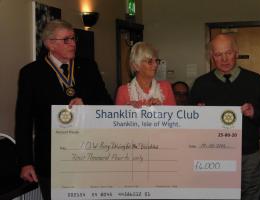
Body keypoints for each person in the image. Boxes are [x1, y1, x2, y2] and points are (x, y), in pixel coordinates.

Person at [15, 19, 113, 200]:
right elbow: (23, 121)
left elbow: (107, 104)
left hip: (90, 156)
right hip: (51, 160)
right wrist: (26, 162)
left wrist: (87, 105)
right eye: (66, 40)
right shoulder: (31, 73)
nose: (73, 43)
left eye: (74, 39)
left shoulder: (89, 67)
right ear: (50, 44)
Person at [190, 33, 260, 200]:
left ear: (236, 52)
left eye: (228, 53)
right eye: (218, 54)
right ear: (211, 57)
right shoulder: (200, 84)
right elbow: (189, 126)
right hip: (213, 156)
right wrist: (197, 115)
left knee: (251, 196)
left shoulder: (255, 81)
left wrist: (254, 113)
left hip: (248, 156)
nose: (224, 59)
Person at [115, 42, 176, 106]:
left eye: (156, 61)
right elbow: (118, 115)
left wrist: (160, 109)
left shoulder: (165, 87)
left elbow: (174, 115)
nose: (155, 65)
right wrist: (128, 110)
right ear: (136, 66)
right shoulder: (123, 91)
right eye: (150, 61)